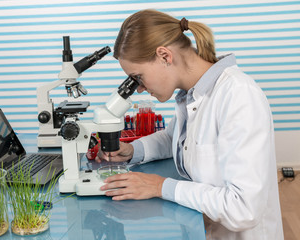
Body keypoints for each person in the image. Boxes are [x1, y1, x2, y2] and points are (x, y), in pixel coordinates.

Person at [95, 9, 284, 240]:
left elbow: (243, 208)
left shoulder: (238, 95)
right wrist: (132, 151)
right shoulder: (193, 94)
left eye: (138, 77)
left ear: (165, 55)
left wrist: (160, 186)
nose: (140, 89)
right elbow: (174, 138)